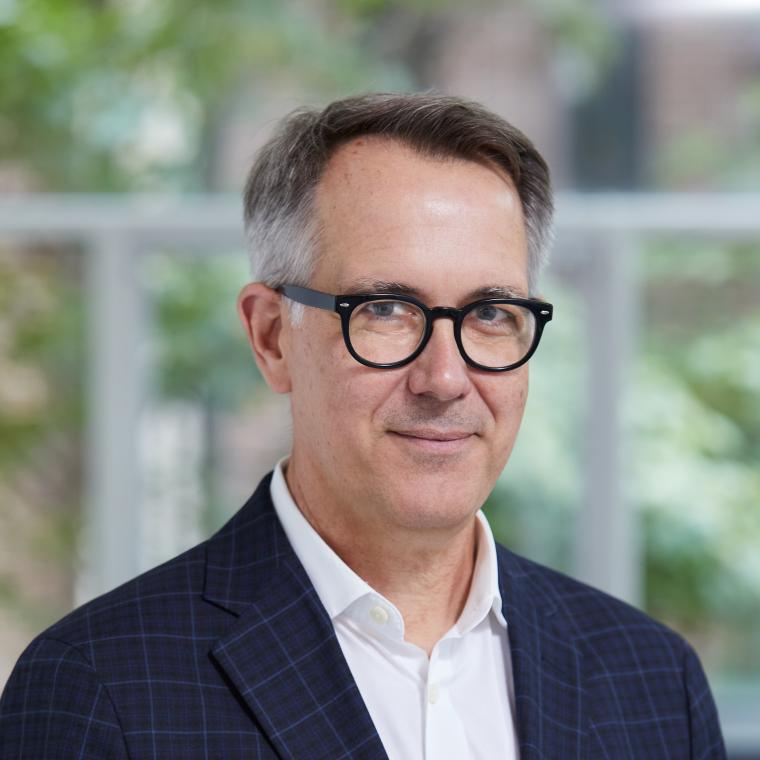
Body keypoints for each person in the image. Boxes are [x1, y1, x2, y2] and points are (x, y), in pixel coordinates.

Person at [0, 93, 725, 759]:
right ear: (271, 338)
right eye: (384, 310)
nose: (444, 378)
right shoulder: (100, 687)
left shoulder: (653, 683)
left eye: (491, 315)